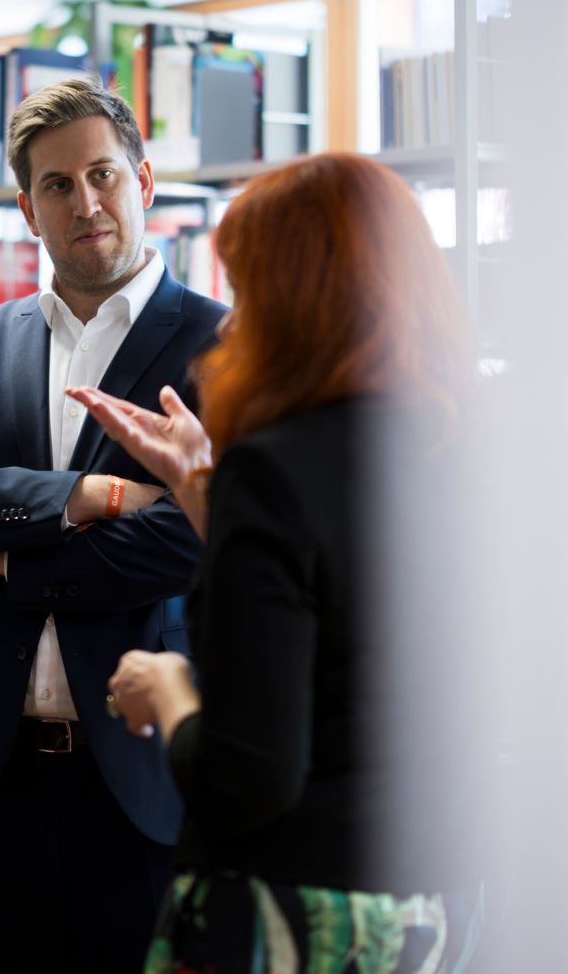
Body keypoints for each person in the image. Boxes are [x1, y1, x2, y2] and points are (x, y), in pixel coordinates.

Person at [71, 153, 487, 972]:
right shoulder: (462, 452)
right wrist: (203, 497)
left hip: (295, 909)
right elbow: (357, 610)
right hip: (434, 904)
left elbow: (248, 777)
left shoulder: (276, 467)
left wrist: (171, 690)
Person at [0, 77, 227, 972]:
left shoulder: (225, 347)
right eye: (58, 186)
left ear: (144, 183)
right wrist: (92, 498)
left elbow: (193, 539)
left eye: (103, 174)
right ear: (28, 208)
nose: (87, 201)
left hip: (145, 780)